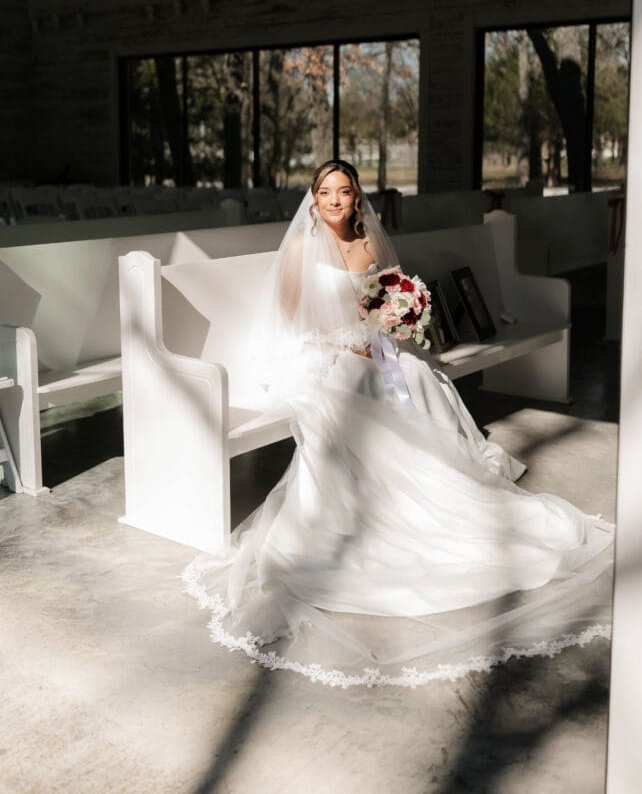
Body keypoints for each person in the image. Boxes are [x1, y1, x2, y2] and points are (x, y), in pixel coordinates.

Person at [183, 159, 614, 689]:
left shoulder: (369, 245)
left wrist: (388, 326)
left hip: (369, 350)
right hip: (318, 356)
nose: (335, 200)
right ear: (314, 199)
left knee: (412, 376)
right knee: (356, 394)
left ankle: (431, 480)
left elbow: (383, 305)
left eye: (344, 191)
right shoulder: (300, 250)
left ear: (357, 197)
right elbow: (294, 321)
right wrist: (346, 343)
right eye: (325, 192)